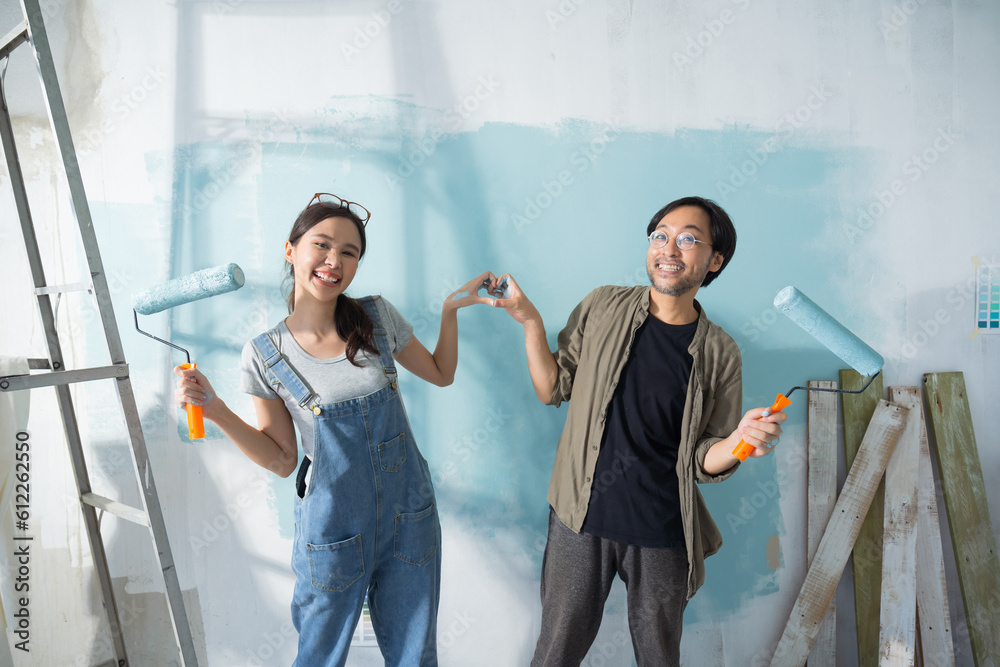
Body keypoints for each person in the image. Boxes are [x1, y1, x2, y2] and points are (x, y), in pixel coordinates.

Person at [174, 193, 495, 667]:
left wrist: (450, 308)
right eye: (321, 245)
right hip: (333, 533)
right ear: (291, 250)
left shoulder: (376, 319)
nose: (334, 261)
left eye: (349, 252)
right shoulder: (266, 354)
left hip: (410, 519)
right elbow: (283, 460)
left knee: (416, 657)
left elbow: (441, 373)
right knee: (320, 658)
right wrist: (216, 409)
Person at [489, 196, 787, 666]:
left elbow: (704, 459)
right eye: (660, 235)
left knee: (659, 658)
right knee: (555, 655)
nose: (669, 248)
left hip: (663, 531)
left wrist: (739, 442)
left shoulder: (720, 352)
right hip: (578, 518)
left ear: (714, 260)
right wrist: (529, 320)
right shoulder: (602, 305)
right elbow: (553, 388)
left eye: (688, 239)